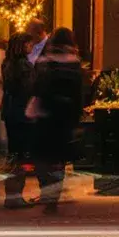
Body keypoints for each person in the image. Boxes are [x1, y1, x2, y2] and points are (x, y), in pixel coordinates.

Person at [29, 28, 85, 213]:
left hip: (46, 114)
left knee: (43, 156)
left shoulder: (45, 62)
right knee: (58, 159)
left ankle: (47, 191)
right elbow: (79, 94)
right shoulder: (75, 64)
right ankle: (53, 196)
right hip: (65, 116)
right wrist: (76, 118)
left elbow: (36, 86)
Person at [2, 32, 38, 208]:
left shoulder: (7, 64)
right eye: (29, 45)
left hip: (10, 112)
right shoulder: (25, 66)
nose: (31, 48)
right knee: (22, 155)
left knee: (13, 153)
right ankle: (16, 194)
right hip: (22, 114)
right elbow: (29, 89)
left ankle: (11, 193)